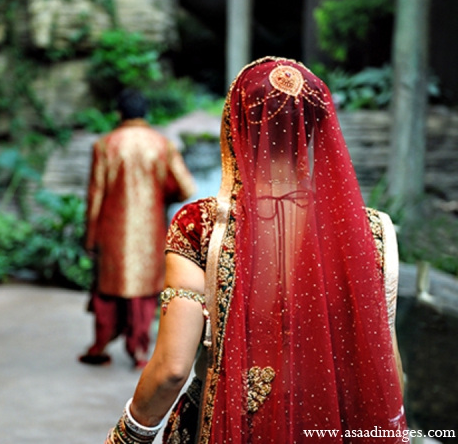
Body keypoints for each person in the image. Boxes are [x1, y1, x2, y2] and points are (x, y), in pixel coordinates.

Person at [104, 57, 407, 443]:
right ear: (315, 127)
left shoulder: (200, 227)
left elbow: (173, 369)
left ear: (236, 125)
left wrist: (127, 436)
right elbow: (386, 370)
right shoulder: (368, 233)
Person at [80, 88, 196, 369]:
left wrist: (91, 237)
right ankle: (139, 351)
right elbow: (186, 187)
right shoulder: (162, 145)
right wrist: (163, 195)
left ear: (119, 113)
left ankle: (100, 347)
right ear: (145, 112)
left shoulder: (105, 145)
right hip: (149, 232)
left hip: (111, 232)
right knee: (144, 293)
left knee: (108, 290)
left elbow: (95, 196)